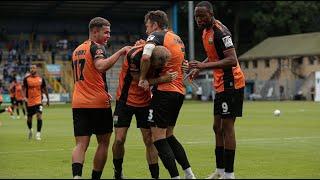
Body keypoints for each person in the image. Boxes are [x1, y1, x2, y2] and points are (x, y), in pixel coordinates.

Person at [190, 1, 246, 179]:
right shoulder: (206, 31)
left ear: (211, 14)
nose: (199, 19)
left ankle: (229, 175)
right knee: (216, 127)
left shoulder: (221, 31)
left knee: (227, 127)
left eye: (202, 16)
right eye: (196, 17)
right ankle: (220, 171)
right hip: (220, 84)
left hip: (232, 83)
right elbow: (215, 55)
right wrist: (200, 67)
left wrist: (203, 67)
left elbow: (232, 60)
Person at [71, 17, 131, 179]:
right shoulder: (97, 47)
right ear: (95, 31)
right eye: (106, 32)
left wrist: (103, 89)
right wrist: (120, 52)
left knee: (80, 144)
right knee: (103, 143)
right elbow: (100, 66)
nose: (109, 36)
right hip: (98, 104)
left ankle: (76, 177)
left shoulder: (77, 50)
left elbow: (89, 75)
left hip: (78, 103)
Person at [138, 10, 196, 179]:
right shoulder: (176, 38)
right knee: (169, 135)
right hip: (178, 93)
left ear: (155, 25)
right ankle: (189, 173)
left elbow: (146, 55)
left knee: (158, 138)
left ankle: (175, 177)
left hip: (164, 92)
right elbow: (182, 64)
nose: (147, 30)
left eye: (148, 26)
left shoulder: (157, 35)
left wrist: (143, 78)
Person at [112, 42, 177, 179]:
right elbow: (140, 81)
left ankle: (155, 176)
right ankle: (118, 171)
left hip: (146, 102)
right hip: (124, 101)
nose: (160, 68)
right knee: (119, 139)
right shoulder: (134, 56)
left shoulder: (160, 56)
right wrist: (162, 79)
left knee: (149, 140)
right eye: (158, 66)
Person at [23, 64, 50, 140]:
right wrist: (24, 97)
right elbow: (24, 88)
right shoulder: (26, 79)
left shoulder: (41, 79)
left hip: (38, 101)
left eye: (33, 68)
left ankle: (38, 134)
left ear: (36, 69)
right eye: (31, 68)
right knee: (29, 119)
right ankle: (30, 130)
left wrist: (48, 99)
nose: (32, 69)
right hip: (29, 101)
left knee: (39, 116)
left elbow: (45, 89)